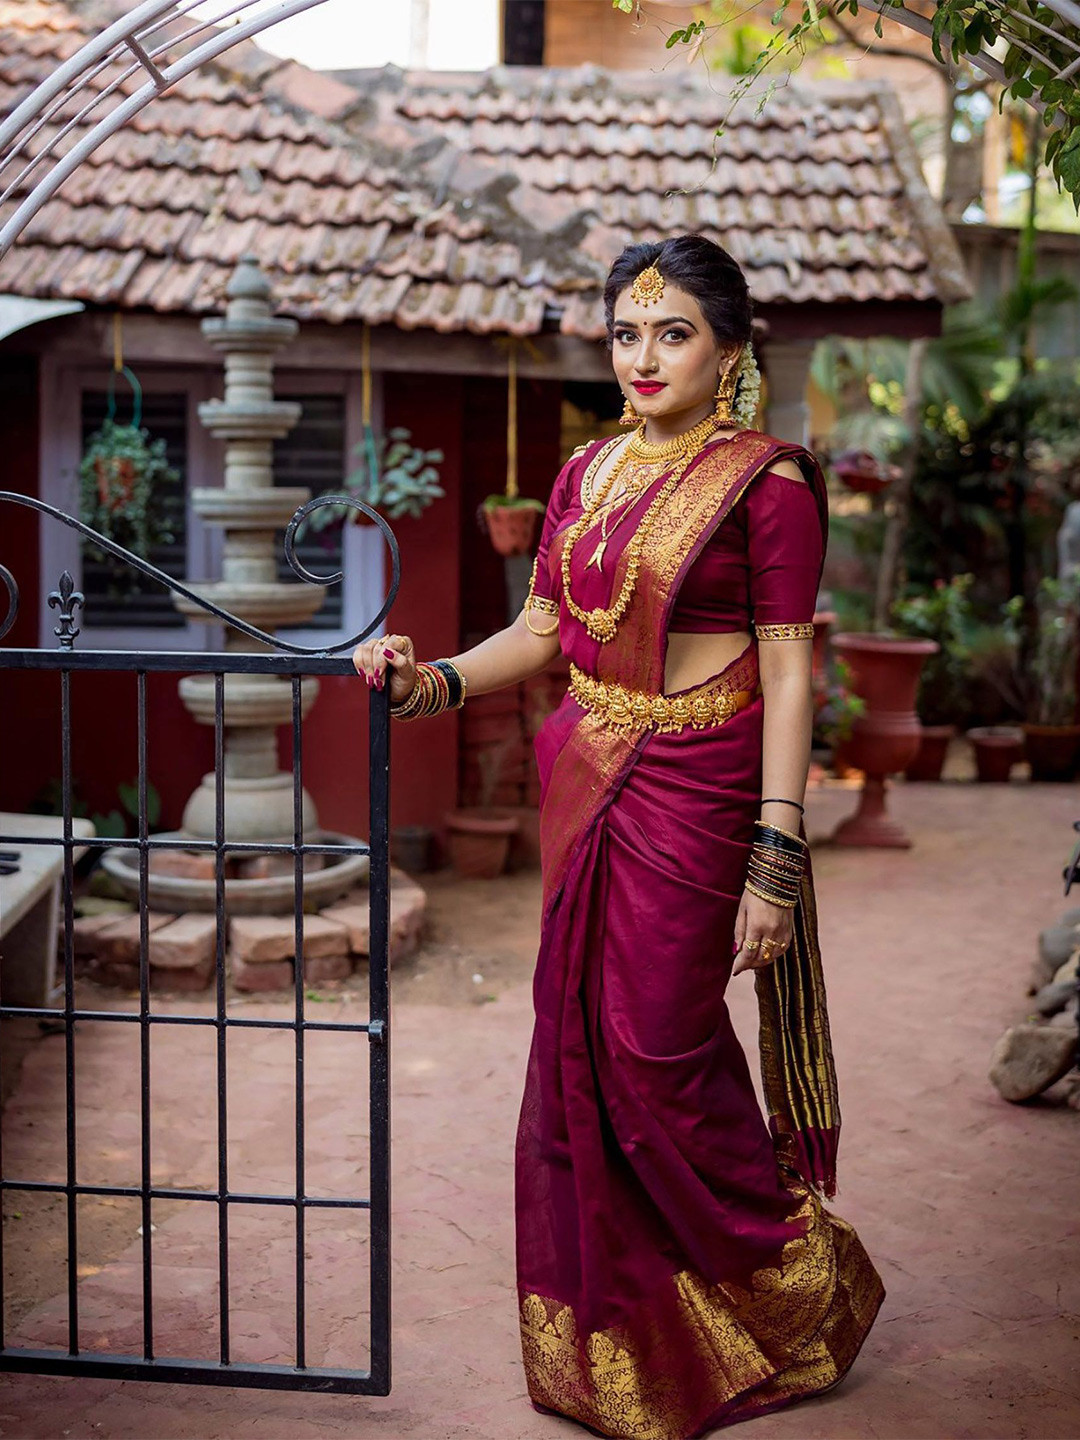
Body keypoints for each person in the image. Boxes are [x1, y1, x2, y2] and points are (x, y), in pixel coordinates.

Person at [352, 234, 885, 1440]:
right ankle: (637, 1331)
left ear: (731, 348)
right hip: (592, 772)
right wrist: (428, 681)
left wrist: (778, 852)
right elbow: (544, 632)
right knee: (581, 1050)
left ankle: (795, 1291)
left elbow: (793, 680)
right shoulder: (587, 472)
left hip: (700, 788)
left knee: (659, 1048)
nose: (644, 356)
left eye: (674, 332)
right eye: (626, 333)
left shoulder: (768, 483)